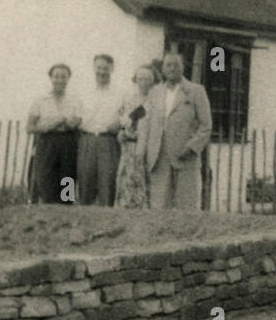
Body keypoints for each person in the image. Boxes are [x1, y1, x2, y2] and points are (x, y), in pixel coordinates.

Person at [142, 51, 212, 210]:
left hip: (185, 157)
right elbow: (141, 113)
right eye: (168, 65)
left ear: (183, 67)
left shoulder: (196, 91)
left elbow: (206, 126)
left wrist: (191, 147)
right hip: (159, 157)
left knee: (186, 207)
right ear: (162, 69)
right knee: (159, 206)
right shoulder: (155, 92)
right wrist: (124, 120)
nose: (172, 68)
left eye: (176, 65)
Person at [27, 63, 82, 204]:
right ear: (51, 78)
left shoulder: (75, 100)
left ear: (68, 79)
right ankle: (48, 210)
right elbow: (30, 127)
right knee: (46, 179)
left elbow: (76, 122)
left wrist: (65, 122)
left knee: (68, 179)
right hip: (47, 143)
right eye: (56, 76)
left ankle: (67, 210)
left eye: (63, 76)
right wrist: (54, 123)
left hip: (68, 143)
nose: (60, 80)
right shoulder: (40, 100)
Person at [77, 54, 126, 205]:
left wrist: (121, 122)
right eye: (99, 68)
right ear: (94, 68)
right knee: (85, 184)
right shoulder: (83, 92)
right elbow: (75, 116)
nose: (102, 72)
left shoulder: (121, 93)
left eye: (106, 68)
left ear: (112, 69)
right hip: (87, 141)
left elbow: (137, 111)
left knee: (108, 185)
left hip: (108, 142)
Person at [115, 63, 157, 208]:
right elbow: (122, 119)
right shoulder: (129, 99)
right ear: (135, 79)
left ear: (153, 81)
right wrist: (121, 130)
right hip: (129, 147)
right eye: (140, 78)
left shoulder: (156, 100)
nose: (143, 82)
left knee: (144, 181)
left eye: (147, 79)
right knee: (127, 179)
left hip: (148, 147)